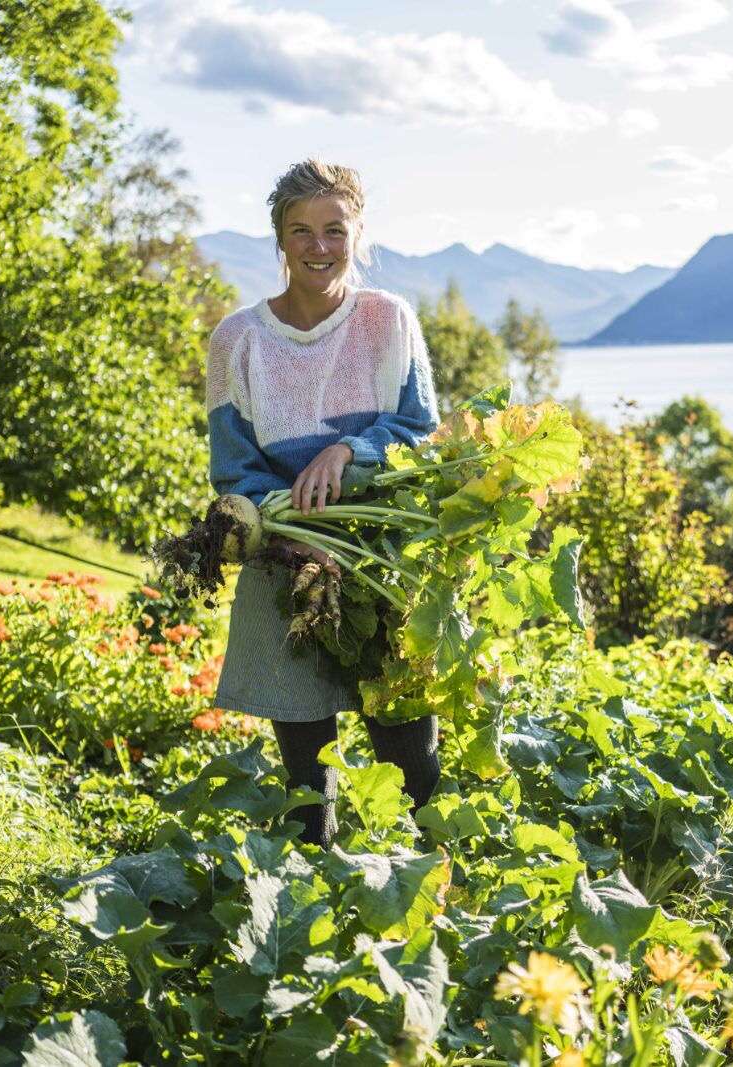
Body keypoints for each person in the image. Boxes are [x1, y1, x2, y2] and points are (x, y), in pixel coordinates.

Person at [204, 159, 441, 846]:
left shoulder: (388, 322)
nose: (318, 246)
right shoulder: (238, 341)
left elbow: (421, 434)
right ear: (279, 240)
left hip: (380, 570)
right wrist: (287, 537)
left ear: (358, 233)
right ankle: (313, 921)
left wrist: (348, 452)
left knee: (414, 765)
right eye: (300, 230)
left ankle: (445, 901)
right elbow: (235, 472)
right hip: (285, 576)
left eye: (334, 229)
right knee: (308, 788)